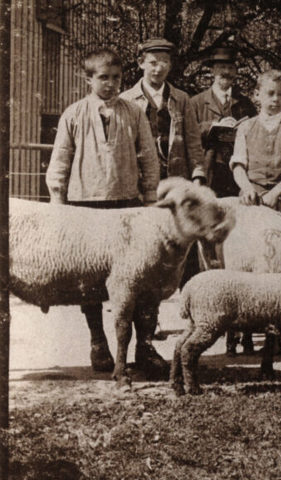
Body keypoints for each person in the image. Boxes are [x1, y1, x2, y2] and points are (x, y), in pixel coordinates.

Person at [45, 48, 163, 373]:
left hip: (127, 206)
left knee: (137, 278)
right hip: (85, 207)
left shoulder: (134, 112)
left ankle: (144, 346)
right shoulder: (74, 114)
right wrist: (58, 203)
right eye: (103, 78)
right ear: (88, 79)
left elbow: (149, 157)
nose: (110, 84)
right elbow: (60, 161)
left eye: (116, 78)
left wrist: (150, 198)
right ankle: (98, 342)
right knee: (90, 280)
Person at [230, 69, 281, 217]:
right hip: (252, 198)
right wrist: (248, 189)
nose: (276, 99)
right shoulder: (245, 126)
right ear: (257, 95)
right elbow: (238, 165)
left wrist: (275, 193)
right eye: (270, 93)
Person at [120, 38, 204, 183]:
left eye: (164, 62)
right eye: (153, 63)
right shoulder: (126, 101)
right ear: (141, 63)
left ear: (170, 65)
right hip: (138, 182)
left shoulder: (181, 99)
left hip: (175, 180)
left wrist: (198, 175)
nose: (158, 69)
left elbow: (193, 142)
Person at [189, 46, 257, 197]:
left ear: (236, 72)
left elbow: (256, 134)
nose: (226, 72)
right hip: (207, 171)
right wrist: (212, 126)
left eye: (230, 68)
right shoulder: (196, 102)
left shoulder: (246, 104)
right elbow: (188, 135)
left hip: (237, 172)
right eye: (221, 67)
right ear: (213, 71)